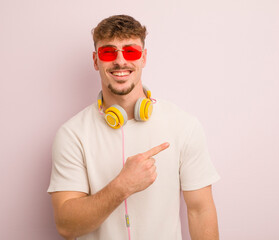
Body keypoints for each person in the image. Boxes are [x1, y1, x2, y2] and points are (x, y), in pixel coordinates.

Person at [48, 15, 220, 240]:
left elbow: (200, 211)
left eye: (131, 51)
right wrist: (122, 187)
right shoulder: (72, 135)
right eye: (108, 52)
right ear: (95, 60)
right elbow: (66, 226)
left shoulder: (183, 125)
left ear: (144, 58)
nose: (120, 61)